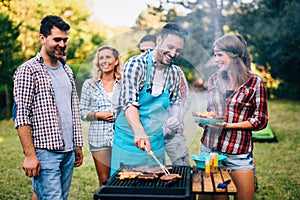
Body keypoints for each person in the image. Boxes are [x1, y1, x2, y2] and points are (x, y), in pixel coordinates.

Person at [13, 15, 84, 200]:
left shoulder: (67, 70)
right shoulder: (28, 70)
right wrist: (30, 155)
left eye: (65, 39)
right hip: (45, 153)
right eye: (57, 39)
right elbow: (21, 116)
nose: (62, 44)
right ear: (42, 38)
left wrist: (77, 144)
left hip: (68, 151)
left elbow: (72, 109)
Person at [111, 23, 188, 175]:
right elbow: (129, 103)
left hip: (155, 143)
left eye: (178, 50)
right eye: (170, 46)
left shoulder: (174, 72)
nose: (173, 53)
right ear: (159, 40)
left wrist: (174, 117)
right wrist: (139, 132)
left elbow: (175, 102)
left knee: (154, 187)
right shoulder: (135, 65)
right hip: (129, 140)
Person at [198, 34, 268, 200]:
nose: (215, 59)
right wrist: (205, 121)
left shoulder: (255, 82)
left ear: (234, 55)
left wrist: (229, 126)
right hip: (210, 150)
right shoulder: (214, 79)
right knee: (211, 197)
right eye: (215, 54)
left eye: (219, 55)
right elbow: (210, 111)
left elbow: (260, 120)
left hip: (238, 153)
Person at [138, 34, 190, 166]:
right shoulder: (137, 70)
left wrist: (174, 121)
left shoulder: (175, 72)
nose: (146, 54)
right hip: (149, 134)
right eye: (142, 51)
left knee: (182, 167)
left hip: (173, 133)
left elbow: (184, 100)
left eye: (149, 49)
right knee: (154, 171)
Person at [80, 45, 122, 186]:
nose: (104, 60)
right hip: (99, 138)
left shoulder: (124, 84)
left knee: (122, 179)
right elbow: (82, 112)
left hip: (121, 138)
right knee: (104, 181)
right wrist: (98, 115)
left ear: (116, 61)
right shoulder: (89, 84)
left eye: (108, 57)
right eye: (101, 57)